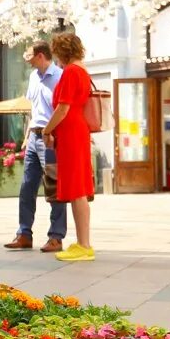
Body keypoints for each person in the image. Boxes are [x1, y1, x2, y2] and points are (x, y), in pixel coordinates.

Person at [4, 41, 68, 254]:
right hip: (34, 136)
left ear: (40, 56)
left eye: (29, 55)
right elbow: (34, 109)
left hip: (51, 137)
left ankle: (56, 236)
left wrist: (51, 134)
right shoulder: (33, 77)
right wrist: (26, 136)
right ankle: (24, 234)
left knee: (54, 188)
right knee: (27, 187)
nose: (26, 59)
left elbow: (62, 110)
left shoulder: (59, 76)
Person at [40, 31, 96, 261]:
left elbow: (63, 108)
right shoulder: (81, 70)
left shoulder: (71, 72)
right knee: (77, 189)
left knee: (77, 189)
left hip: (71, 131)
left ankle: (85, 245)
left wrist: (46, 129)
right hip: (76, 130)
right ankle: (82, 243)